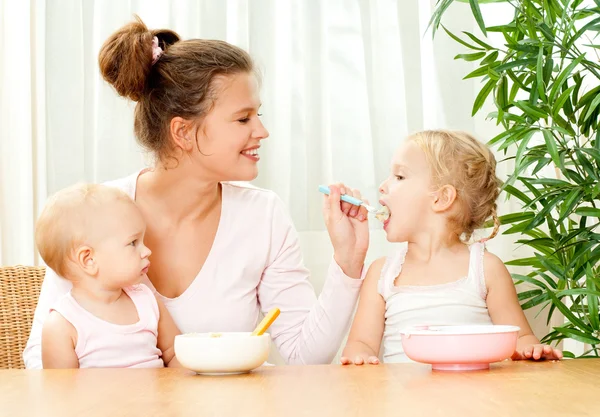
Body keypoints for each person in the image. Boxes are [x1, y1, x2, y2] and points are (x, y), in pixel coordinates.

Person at [23, 16, 369, 368]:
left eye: (258, 115)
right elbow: (41, 360)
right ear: (183, 133)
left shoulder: (263, 215)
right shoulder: (92, 212)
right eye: (243, 118)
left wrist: (348, 260)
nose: (262, 131)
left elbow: (304, 356)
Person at [340, 130, 563, 365]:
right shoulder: (382, 273)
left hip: (474, 400)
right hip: (404, 400)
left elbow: (520, 338)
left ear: (441, 198)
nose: (383, 187)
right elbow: (361, 343)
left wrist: (531, 350)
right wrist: (359, 358)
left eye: (399, 177)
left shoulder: (486, 269)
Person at [36, 184, 180, 368]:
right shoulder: (62, 325)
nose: (147, 251)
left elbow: (176, 353)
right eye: (133, 243)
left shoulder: (147, 301)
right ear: (88, 259)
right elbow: (62, 393)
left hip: (160, 397)